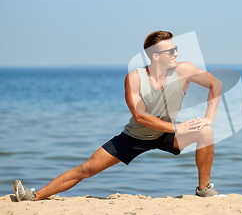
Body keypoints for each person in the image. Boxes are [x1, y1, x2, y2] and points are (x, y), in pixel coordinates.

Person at [13, 30, 224, 201]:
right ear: (155, 56)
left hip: (167, 133)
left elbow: (216, 84)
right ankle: (34, 196)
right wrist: (177, 128)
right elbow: (140, 116)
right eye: (170, 51)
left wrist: (208, 117)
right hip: (136, 136)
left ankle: (203, 189)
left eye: (175, 49)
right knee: (87, 168)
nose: (176, 54)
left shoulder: (184, 69)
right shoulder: (135, 78)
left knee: (205, 131)